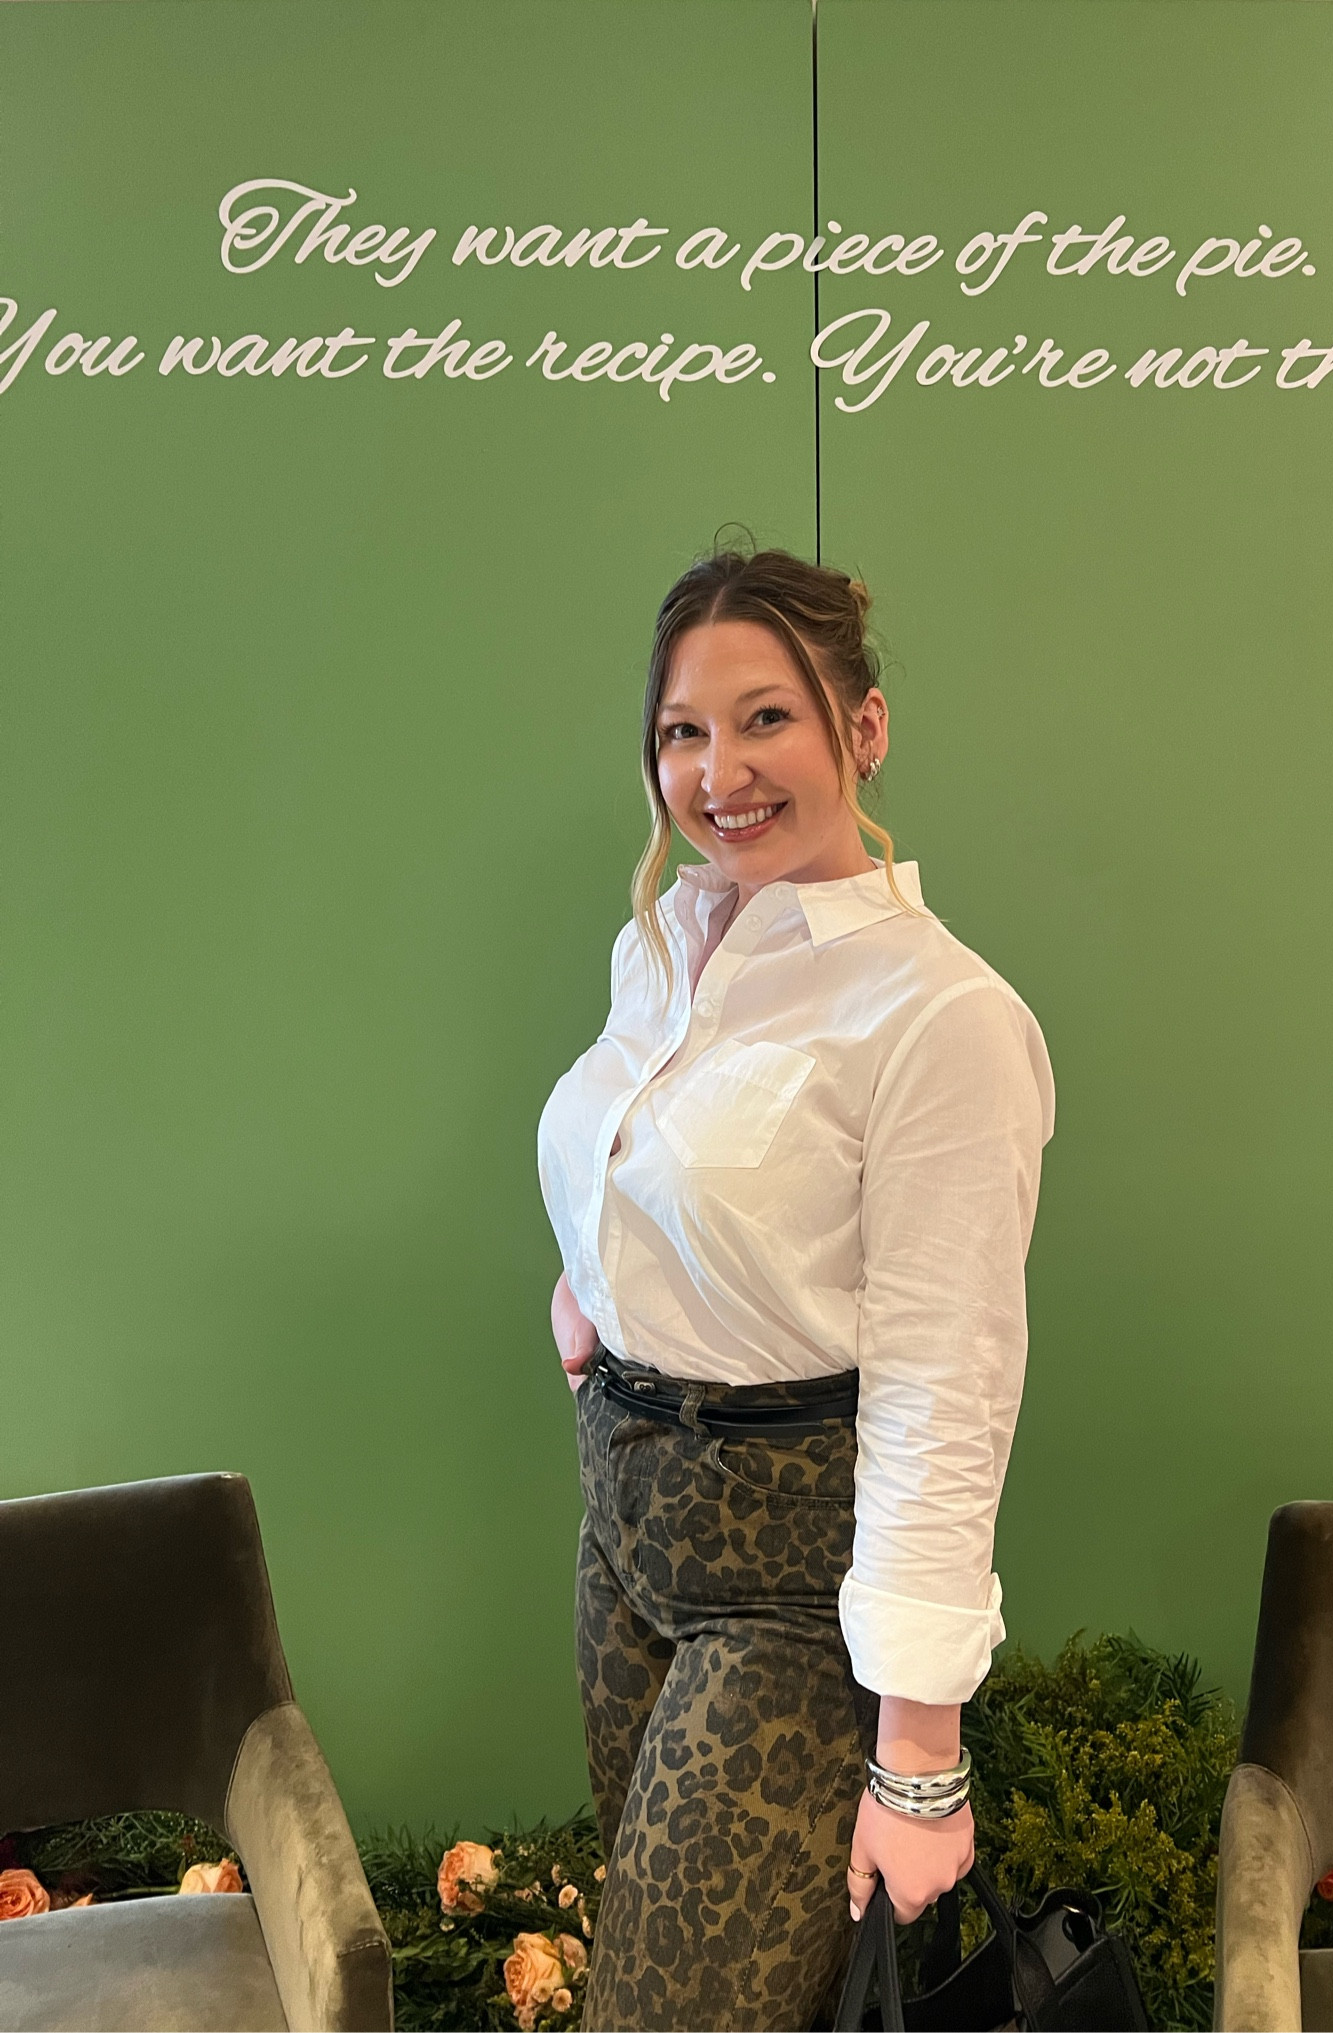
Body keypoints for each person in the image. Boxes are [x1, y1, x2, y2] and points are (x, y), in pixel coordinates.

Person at [536, 543, 1054, 2031]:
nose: (721, 770)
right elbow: (637, 1145)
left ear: (862, 727)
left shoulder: (943, 1014)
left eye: (767, 717)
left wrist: (918, 1760)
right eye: (684, 731)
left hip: (789, 1587)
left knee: (669, 2016)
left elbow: (946, 1385)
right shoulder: (670, 940)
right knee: (671, 1967)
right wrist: (589, 1287)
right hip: (624, 1535)